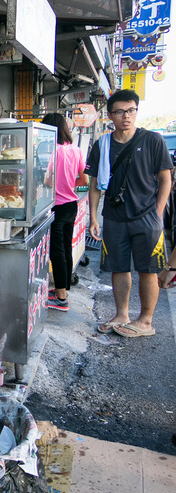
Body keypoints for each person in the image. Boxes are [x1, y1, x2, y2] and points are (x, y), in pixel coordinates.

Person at [87, 89, 173, 337]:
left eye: (131, 110)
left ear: (136, 111)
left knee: (148, 270)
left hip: (146, 216)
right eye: (120, 112)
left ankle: (145, 321)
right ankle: (122, 315)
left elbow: (165, 179)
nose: (126, 116)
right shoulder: (102, 144)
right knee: (118, 268)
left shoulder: (152, 140)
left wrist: (157, 213)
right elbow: (95, 184)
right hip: (114, 217)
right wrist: (93, 217)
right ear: (110, 115)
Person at [41, 113, 88, 310]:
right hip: (71, 205)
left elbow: (46, 180)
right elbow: (84, 180)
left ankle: (61, 298)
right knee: (66, 249)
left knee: (57, 252)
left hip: (57, 206)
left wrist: (54, 185)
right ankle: (63, 290)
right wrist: (68, 185)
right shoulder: (76, 150)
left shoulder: (53, 152)